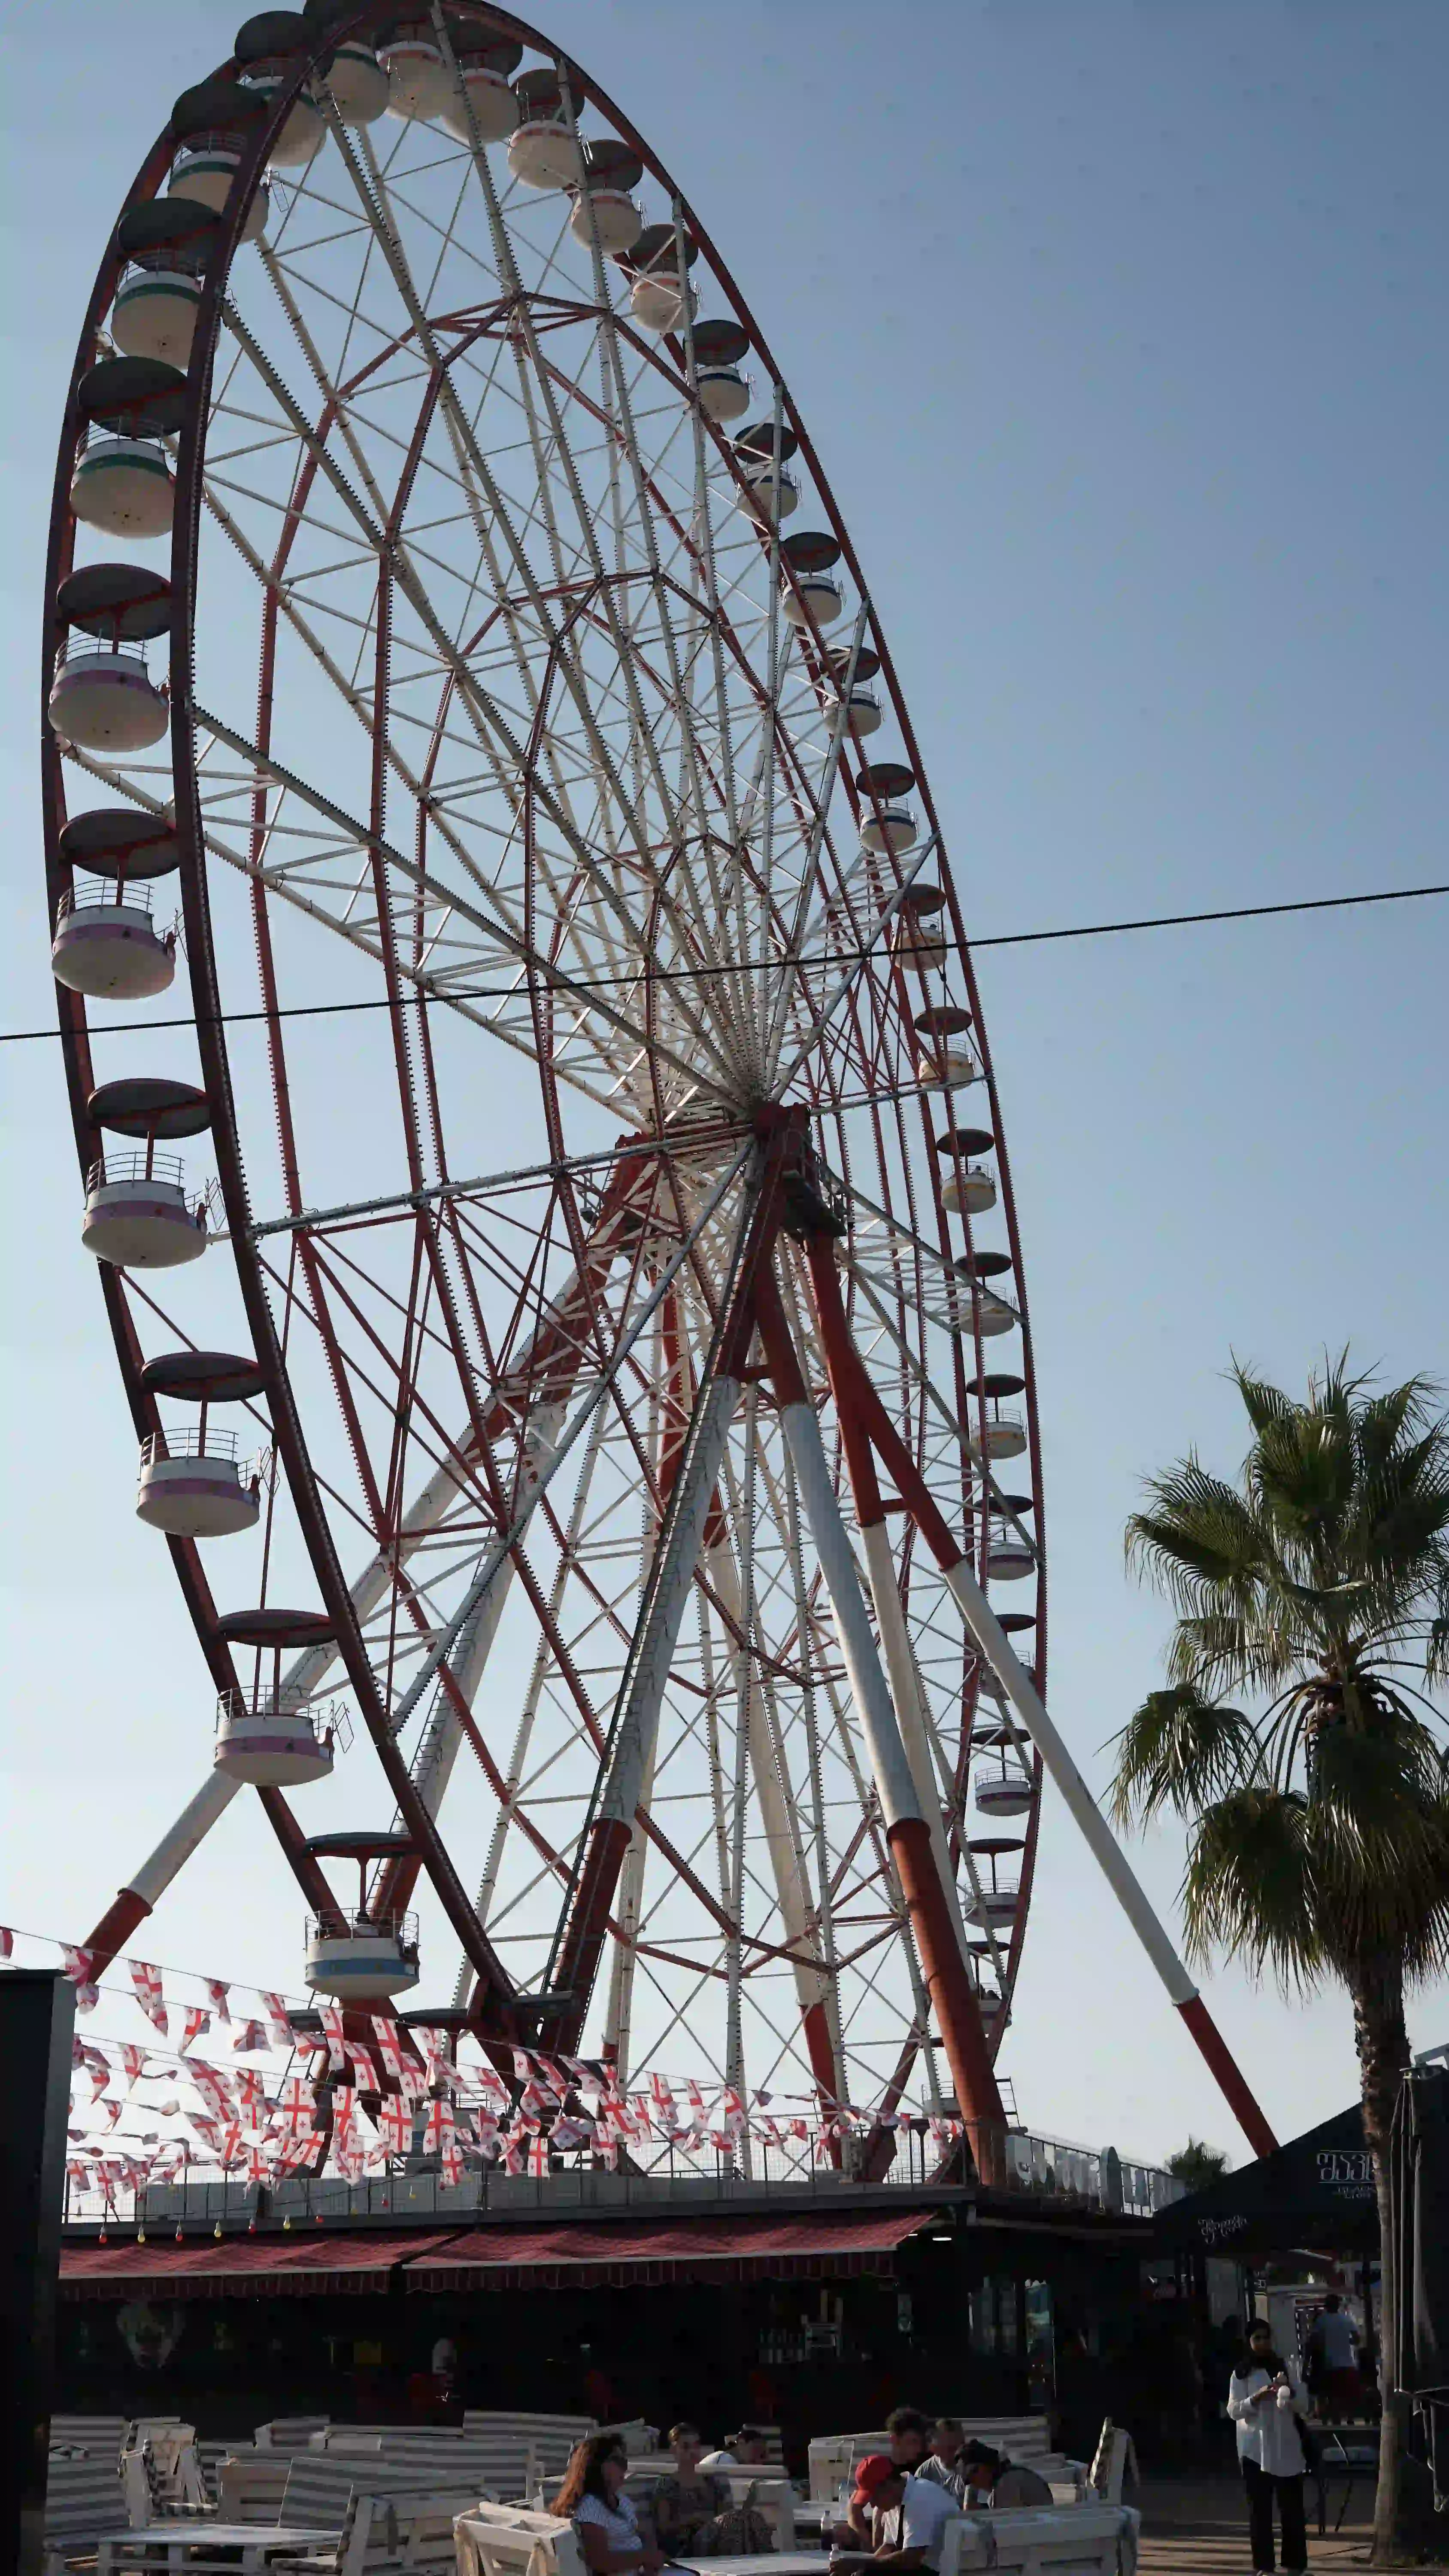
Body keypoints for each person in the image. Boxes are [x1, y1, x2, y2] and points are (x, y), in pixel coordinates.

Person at [1227, 2318, 1309, 2574]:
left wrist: (1288, 2391)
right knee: (1260, 2513)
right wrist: (1256, 2398)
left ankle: (1295, 2566)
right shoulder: (1241, 2373)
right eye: (1257, 2339)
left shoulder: (1285, 2368)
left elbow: (1304, 2404)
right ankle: (1264, 2567)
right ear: (1249, 2342)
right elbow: (1233, 2410)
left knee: (1292, 2512)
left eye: (1266, 2337)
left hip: (1286, 2447)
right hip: (1254, 2451)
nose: (1262, 2343)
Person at [650, 2424, 772, 2558]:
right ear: (673, 2450)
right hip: (686, 2545)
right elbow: (663, 2528)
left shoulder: (712, 2481)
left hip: (717, 2537)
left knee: (753, 2518)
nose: (693, 2451)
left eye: (696, 2446)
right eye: (686, 2447)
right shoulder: (667, 2484)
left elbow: (725, 2514)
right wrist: (690, 2520)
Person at [552, 2435, 663, 2576]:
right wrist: (645, 2557)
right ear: (597, 2464)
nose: (624, 2467)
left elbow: (641, 2534)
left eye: (625, 2461)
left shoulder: (621, 2500)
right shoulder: (590, 2506)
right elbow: (601, 2562)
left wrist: (652, 2554)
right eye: (618, 2461)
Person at [828, 2456, 958, 2574]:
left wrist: (859, 2565)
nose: (872, 2505)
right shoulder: (895, 2501)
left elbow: (911, 2558)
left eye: (873, 2497)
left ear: (889, 2485)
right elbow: (889, 2547)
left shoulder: (920, 2497)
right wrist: (860, 2568)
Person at [841, 2410, 932, 2541]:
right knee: (840, 2531)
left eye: (920, 2443)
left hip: (914, 2529)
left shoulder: (926, 2468)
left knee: (879, 2512)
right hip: (887, 2532)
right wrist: (865, 2538)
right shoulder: (882, 2468)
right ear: (894, 2439)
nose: (918, 2448)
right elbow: (854, 2507)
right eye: (912, 2442)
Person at [1306, 2296, 1361, 2420]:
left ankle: (1336, 2422)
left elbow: (1314, 2342)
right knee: (1346, 2395)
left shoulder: (1322, 2321)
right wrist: (1347, 2341)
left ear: (1326, 2306)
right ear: (1338, 2305)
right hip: (1348, 2364)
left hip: (1329, 2364)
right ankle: (1350, 2420)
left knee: (1331, 2396)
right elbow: (1357, 2339)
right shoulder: (1347, 2320)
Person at [958, 2443, 1053, 2510]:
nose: (974, 2481)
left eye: (975, 2472)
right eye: (969, 2480)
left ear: (987, 2465)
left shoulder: (1007, 2482)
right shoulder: (1005, 2478)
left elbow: (1005, 2527)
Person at [913, 2421, 967, 2504]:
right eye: (951, 2448)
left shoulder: (972, 2468)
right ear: (935, 2449)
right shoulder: (925, 2473)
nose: (959, 2452)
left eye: (962, 2445)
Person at [698, 2427, 769, 2470]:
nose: (759, 2459)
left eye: (762, 2455)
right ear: (742, 2444)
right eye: (756, 2449)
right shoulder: (726, 2459)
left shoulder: (724, 2458)